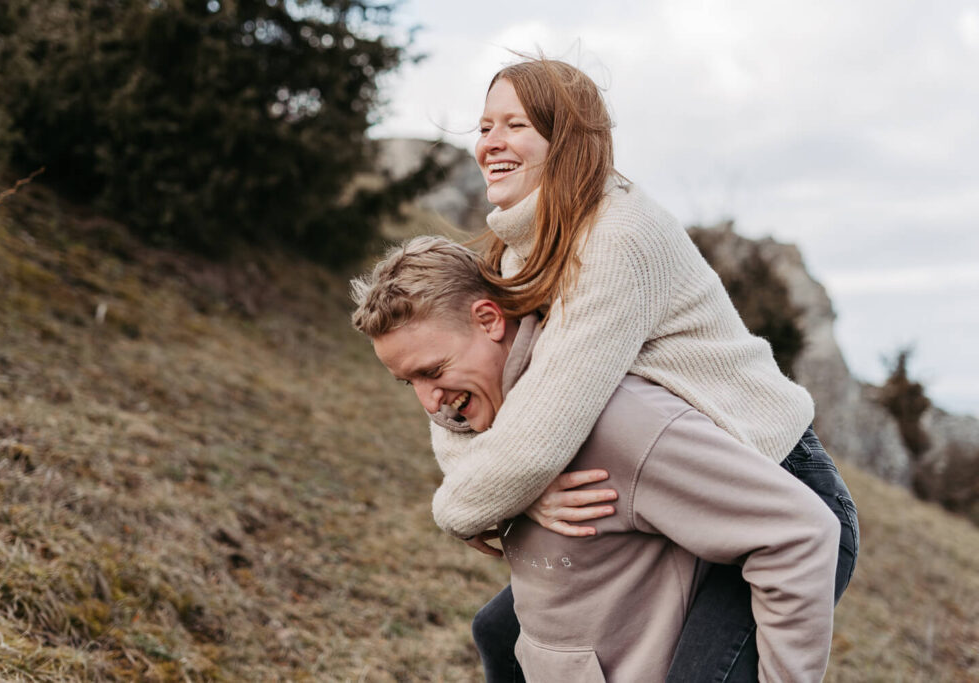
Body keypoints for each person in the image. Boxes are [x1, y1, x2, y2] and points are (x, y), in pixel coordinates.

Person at [367, 57, 859, 681]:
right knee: (501, 631)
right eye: (484, 125)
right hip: (679, 478)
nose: (489, 141)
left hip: (777, 478)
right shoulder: (524, 250)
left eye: (513, 124)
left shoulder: (618, 237)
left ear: (567, 137)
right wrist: (515, 488)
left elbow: (542, 432)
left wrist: (474, 503)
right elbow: (465, 409)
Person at [350, 236, 843, 682]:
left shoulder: (620, 422)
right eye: (409, 382)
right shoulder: (492, 420)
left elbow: (801, 532)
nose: (429, 403)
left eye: (433, 371)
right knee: (494, 628)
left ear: (489, 319)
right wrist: (516, 491)